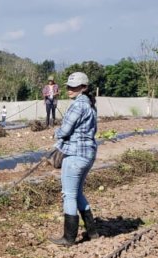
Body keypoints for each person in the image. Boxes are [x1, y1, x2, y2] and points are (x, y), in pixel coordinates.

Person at [50, 72, 99, 246]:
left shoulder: (78, 106)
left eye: (74, 87)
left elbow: (65, 130)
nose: (70, 90)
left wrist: (56, 134)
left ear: (83, 88)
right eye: (69, 86)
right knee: (77, 193)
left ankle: (69, 237)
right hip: (88, 154)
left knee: (68, 195)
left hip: (75, 155)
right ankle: (92, 232)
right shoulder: (90, 105)